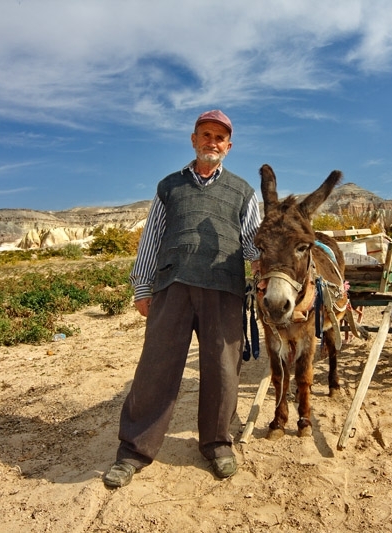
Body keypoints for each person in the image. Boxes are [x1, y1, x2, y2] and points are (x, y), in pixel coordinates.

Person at [103, 109, 261, 488]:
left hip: (224, 291)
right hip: (172, 286)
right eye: (205, 135)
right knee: (156, 368)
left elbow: (254, 245)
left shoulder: (243, 191)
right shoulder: (168, 187)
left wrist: (265, 275)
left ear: (229, 146)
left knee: (223, 372)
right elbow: (151, 240)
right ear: (193, 140)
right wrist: (142, 287)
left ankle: (217, 444)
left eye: (219, 138)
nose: (212, 142)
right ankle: (134, 451)